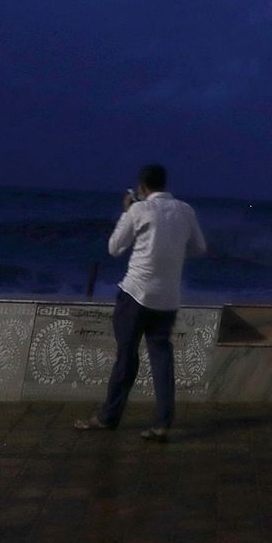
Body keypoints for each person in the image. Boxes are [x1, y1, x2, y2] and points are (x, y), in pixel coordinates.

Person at [74, 163, 208, 443]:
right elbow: (199, 249)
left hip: (135, 294)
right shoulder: (185, 210)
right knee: (161, 357)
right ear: (164, 183)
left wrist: (126, 211)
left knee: (126, 356)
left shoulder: (138, 209)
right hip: (168, 297)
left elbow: (114, 248)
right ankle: (161, 422)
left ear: (143, 187)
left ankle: (108, 417)